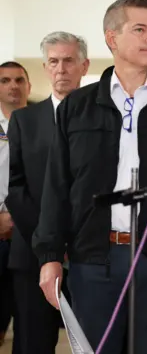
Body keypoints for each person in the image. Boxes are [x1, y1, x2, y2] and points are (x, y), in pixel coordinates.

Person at [33, 0, 147, 353]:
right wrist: (50, 255)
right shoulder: (76, 108)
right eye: (139, 30)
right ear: (111, 38)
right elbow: (56, 187)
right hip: (94, 260)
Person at [5, 31, 89, 354]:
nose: (61, 69)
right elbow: (15, 187)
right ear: (44, 66)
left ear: (84, 65)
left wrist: (74, 241)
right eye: (53, 61)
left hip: (89, 255)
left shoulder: (103, 117)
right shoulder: (25, 121)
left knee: (95, 342)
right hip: (32, 256)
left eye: (69, 61)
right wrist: (48, 244)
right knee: (32, 345)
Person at [0, 60, 30, 348]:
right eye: (5, 80)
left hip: (28, 234)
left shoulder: (42, 124)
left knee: (27, 320)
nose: (13, 86)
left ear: (28, 86)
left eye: (19, 80)